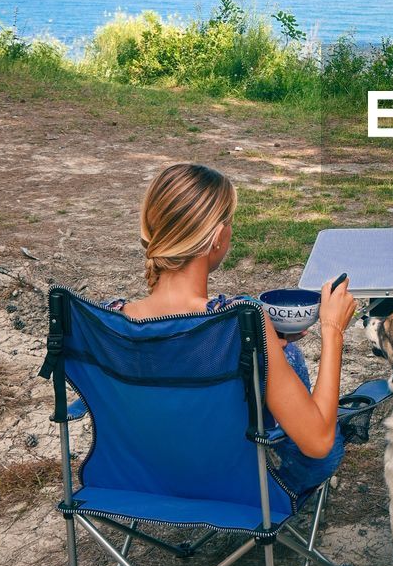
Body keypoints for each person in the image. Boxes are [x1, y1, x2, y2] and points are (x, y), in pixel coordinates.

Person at [105, 162, 356, 500]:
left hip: (137, 485)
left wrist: (269, 346)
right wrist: (332, 329)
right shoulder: (240, 322)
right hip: (238, 493)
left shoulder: (110, 323)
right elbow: (318, 443)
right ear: (218, 237)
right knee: (310, 399)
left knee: (283, 353)